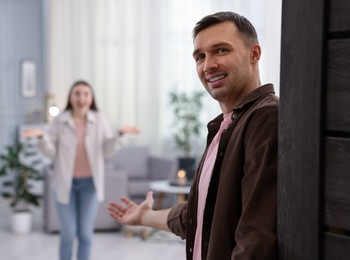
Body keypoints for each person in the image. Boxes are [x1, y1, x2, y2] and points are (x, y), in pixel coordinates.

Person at [108, 11, 278, 260]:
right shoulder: (225, 126)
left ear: (254, 54)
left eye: (221, 50)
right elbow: (200, 214)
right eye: (200, 56)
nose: (208, 65)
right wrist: (144, 216)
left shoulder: (266, 118)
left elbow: (256, 238)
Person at [23, 80, 139, 260]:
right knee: (68, 234)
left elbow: (106, 151)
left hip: (90, 185)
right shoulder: (61, 120)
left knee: (85, 235)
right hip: (64, 185)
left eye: (86, 94)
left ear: (91, 98)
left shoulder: (99, 119)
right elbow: (51, 152)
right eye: (77, 93)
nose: (81, 98)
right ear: (71, 96)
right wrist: (41, 138)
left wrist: (119, 135)